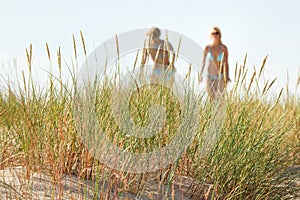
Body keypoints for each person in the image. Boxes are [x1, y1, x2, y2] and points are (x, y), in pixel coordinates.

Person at [200, 27, 230, 100]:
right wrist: (201, 74)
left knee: (220, 99)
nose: (215, 35)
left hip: (220, 77)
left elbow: (226, 63)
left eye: (216, 33)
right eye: (213, 33)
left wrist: (227, 76)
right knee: (212, 99)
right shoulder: (208, 47)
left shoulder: (223, 48)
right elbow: (203, 62)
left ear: (219, 35)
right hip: (209, 77)